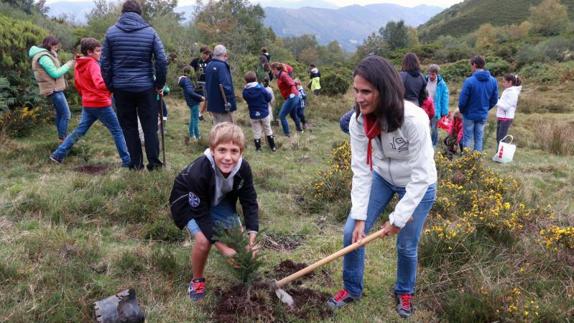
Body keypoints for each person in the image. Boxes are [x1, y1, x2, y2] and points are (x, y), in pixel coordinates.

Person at [326, 56, 437, 319]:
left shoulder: (414, 119)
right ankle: (352, 289)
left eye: (366, 91)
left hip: (417, 184)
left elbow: (421, 174)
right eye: (356, 90)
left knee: (406, 244)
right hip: (382, 178)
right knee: (351, 231)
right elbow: (361, 170)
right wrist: (361, 217)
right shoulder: (357, 121)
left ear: (384, 90)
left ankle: (404, 290)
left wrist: (398, 218)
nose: (359, 98)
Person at [169, 122, 259, 302]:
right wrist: (223, 248)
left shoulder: (243, 168)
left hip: (217, 198)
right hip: (188, 201)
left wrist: (252, 237)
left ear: (241, 152)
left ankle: (243, 276)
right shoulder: (199, 171)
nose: (228, 157)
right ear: (212, 150)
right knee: (203, 241)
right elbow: (201, 214)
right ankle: (197, 280)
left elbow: (249, 201)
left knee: (237, 236)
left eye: (234, 151)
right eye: (222, 150)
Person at [101, 0, 167, 171]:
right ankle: (154, 164)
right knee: (150, 127)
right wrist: (158, 84)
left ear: (122, 13)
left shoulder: (111, 32)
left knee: (129, 128)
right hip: (146, 88)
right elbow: (161, 60)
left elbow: (104, 63)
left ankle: (136, 166)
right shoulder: (150, 32)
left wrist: (111, 86)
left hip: (121, 89)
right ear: (140, 13)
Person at [49, 38, 130, 167]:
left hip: (88, 103)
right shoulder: (93, 64)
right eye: (98, 51)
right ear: (89, 52)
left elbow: (78, 84)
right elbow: (99, 83)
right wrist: (113, 86)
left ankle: (57, 155)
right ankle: (127, 162)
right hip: (100, 104)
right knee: (117, 130)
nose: (101, 53)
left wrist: (86, 96)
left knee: (79, 131)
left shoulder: (79, 63)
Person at [29, 36, 75, 142]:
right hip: (53, 89)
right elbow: (55, 73)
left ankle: (61, 138)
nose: (57, 48)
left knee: (60, 113)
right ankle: (64, 139)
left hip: (55, 88)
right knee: (66, 114)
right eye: (56, 46)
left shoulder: (46, 55)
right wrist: (68, 65)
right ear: (50, 45)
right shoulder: (44, 57)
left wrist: (54, 54)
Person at [458, 55, 498, 152]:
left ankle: (466, 162)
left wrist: (462, 111)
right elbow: (494, 100)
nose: (471, 68)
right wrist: (485, 108)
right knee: (479, 139)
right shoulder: (493, 81)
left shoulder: (469, 81)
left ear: (474, 65)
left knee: (467, 138)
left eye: (471, 65)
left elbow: (462, 101)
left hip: (469, 114)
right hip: (482, 114)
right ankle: (476, 163)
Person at [242, 72, 276, 152]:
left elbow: (246, 99)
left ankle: (258, 148)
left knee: (256, 131)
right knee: (268, 129)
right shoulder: (261, 89)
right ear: (255, 79)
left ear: (246, 81)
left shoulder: (245, 91)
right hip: (264, 112)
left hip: (253, 114)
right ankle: (273, 147)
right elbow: (269, 98)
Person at [205, 45, 236, 124]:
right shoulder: (222, 66)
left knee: (217, 127)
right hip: (223, 105)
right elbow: (226, 86)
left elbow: (207, 85)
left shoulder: (209, 65)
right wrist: (230, 102)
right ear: (225, 54)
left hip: (213, 104)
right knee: (226, 129)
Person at [271, 62, 302, 137]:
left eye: (272, 70)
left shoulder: (283, 75)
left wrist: (292, 93)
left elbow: (291, 83)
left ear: (275, 69)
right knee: (293, 114)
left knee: (282, 115)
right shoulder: (279, 76)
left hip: (292, 96)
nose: (272, 71)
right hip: (293, 96)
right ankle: (299, 130)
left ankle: (287, 134)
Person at [494, 74, 522, 150]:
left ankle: (501, 155)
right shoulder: (507, 91)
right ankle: (499, 154)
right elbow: (503, 101)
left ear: (510, 82)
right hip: (501, 116)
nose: (503, 83)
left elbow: (506, 106)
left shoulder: (512, 92)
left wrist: (495, 101)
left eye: (504, 82)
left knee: (501, 138)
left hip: (506, 118)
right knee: (498, 138)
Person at [178, 68, 205, 143]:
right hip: (193, 102)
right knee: (195, 119)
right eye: (192, 72)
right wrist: (200, 97)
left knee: (193, 118)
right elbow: (190, 92)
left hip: (190, 101)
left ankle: (191, 134)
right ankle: (197, 136)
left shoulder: (184, 80)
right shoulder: (186, 80)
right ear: (188, 73)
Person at [425, 64, 449, 146]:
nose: (431, 76)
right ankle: (425, 143)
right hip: (424, 109)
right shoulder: (424, 80)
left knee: (434, 128)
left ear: (437, 74)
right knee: (424, 127)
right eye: (430, 73)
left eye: (433, 74)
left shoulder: (441, 84)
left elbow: (444, 98)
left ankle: (433, 144)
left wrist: (444, 112)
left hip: (435, 110)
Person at [190, 46, 212, 121]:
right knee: (199, 99)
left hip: (207, 83)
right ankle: (198, 114)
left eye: (208, 53)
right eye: (205, 53)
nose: (206, 55)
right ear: (201, 53)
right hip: (197, 83)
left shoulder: (211, 61)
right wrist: (191, 77)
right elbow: (189, 68)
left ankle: (200, 113)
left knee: (206, 99)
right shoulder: (196, 60)